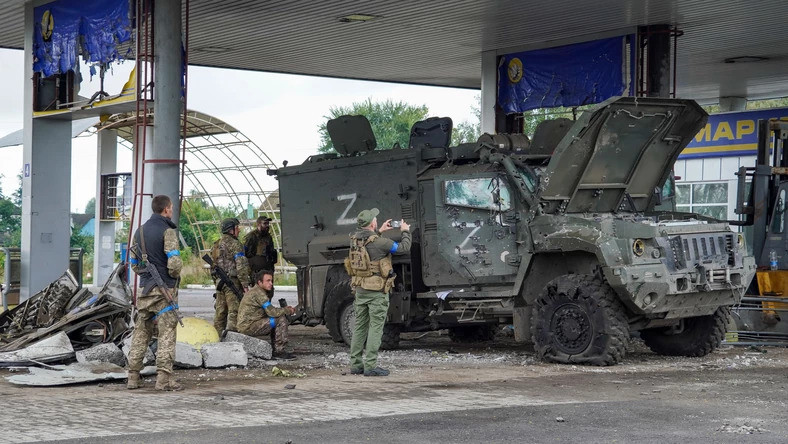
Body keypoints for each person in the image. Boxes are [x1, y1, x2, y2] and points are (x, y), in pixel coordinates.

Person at [126, 194, 183, 391]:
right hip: (165, 290)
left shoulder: (139, 232)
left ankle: (133, 376)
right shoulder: (168, 232)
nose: (172, 211)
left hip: (145, 290)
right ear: (166, 209)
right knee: (167, 333)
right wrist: (171, 277)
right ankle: (163, 380)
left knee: (141, 332)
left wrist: (146, 274)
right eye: (171, 208)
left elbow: (133, 264)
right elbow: (174, 263)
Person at [345, 208, 411, 376]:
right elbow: (403, 248)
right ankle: (371, 366)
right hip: (377, 290)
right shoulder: (381, 243)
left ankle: (356, 364)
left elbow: (370, 246)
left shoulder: (354, 240)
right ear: (372, 223)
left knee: (360, 327)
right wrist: (405, 231)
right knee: (375, 327)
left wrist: (379, 231)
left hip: (360, 288)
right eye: (375, 220)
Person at [237, 269, 297, 359]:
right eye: (268, 281)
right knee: (280, 319)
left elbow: (269, 310)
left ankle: (276, 348)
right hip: (248, 327)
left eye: (271, 281)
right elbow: (272, 312)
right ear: (260, 282)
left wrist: (283, 309)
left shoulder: (256, 291)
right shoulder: (259, 294)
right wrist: (288, 310)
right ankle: (279, 351)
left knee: (274, 320)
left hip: (248, 324)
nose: (271, 283)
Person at [211, 217, 251, 335]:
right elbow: (241, 266)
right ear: (231, 230)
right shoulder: (236, 244)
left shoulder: (216, 245)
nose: (239, 230)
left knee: (220, 312)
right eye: (237, 228)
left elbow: (212, 267)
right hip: (232, 282)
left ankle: (216, 338)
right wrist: (245, 285)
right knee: (234, 311)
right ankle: (232, 339)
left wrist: (216, 282)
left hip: (219, 283)